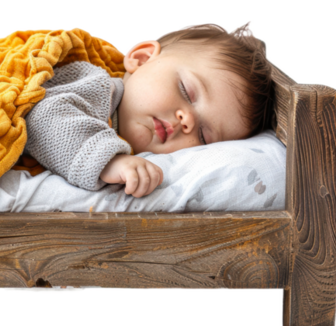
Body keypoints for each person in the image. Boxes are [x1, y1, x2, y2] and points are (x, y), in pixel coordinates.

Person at [22, 20, 274, 198]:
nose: (186, 121)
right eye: (186, 91)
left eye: (203, 136)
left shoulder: (143, 157)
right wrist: (109, 161)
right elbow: (42, 117)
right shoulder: (96, 87)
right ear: (142, 58)